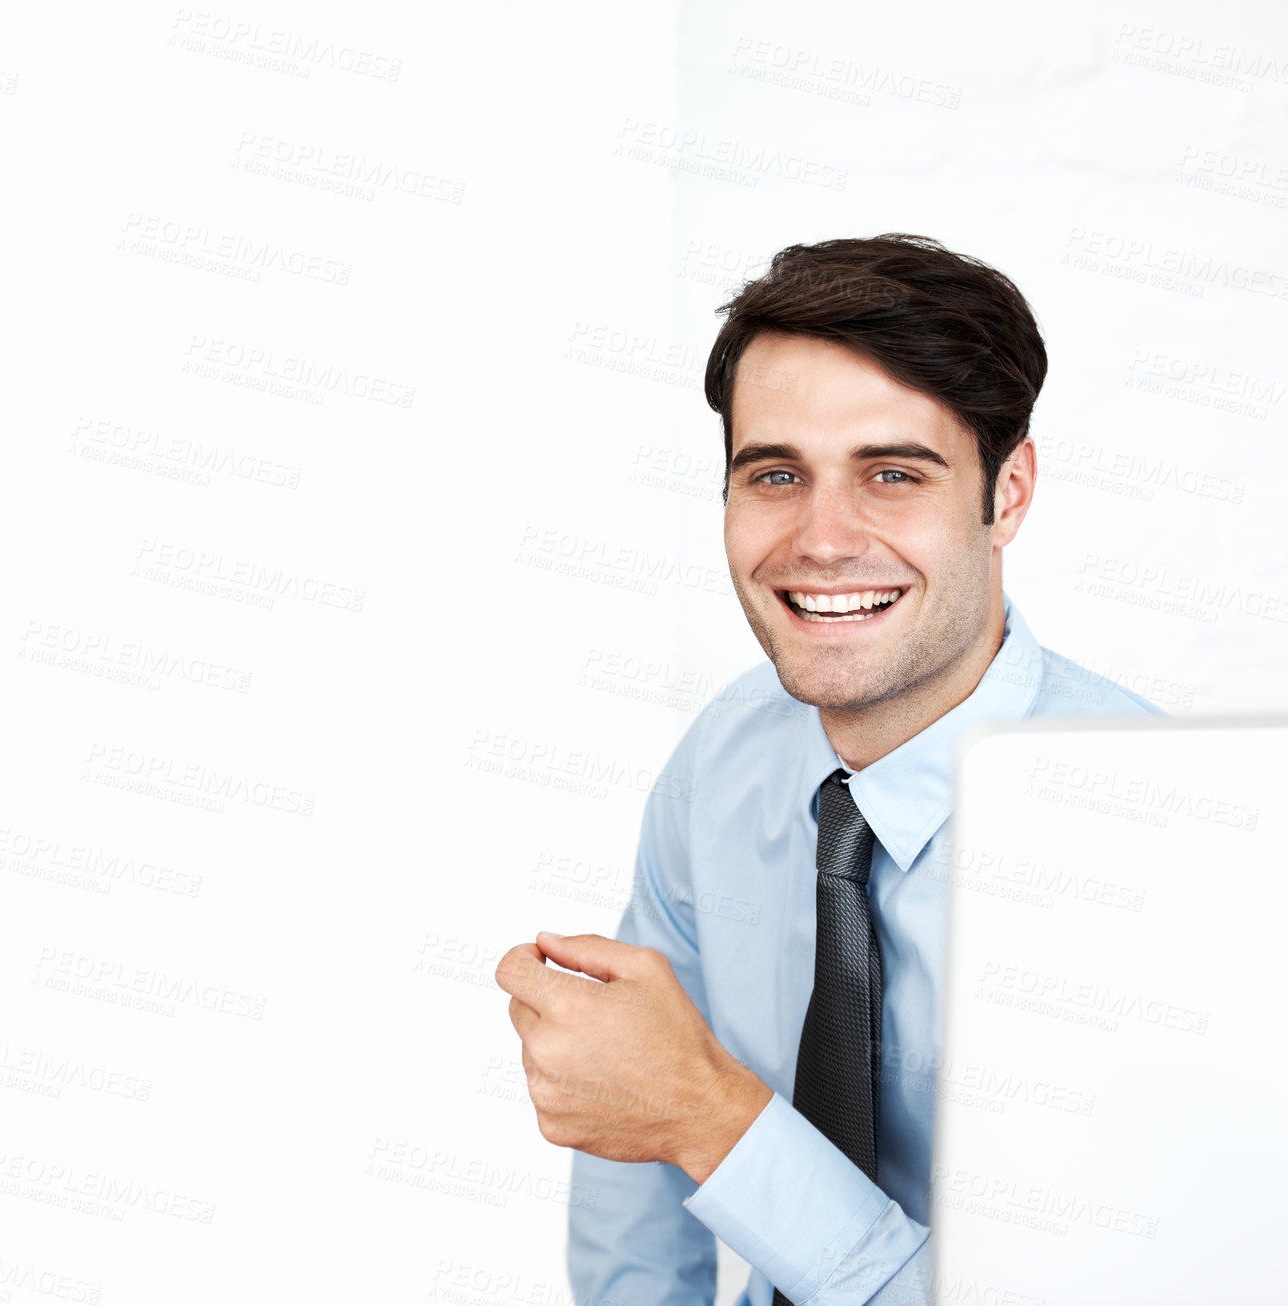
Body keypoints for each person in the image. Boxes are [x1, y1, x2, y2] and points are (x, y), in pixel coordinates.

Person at [494, 233, 1163, 1306]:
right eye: (776, 474)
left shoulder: (1159, 851)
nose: (822, 538)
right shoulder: (726, 757)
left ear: (1009, 495)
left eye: (892, 473)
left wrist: (714, 1119)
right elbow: (634, 1157)